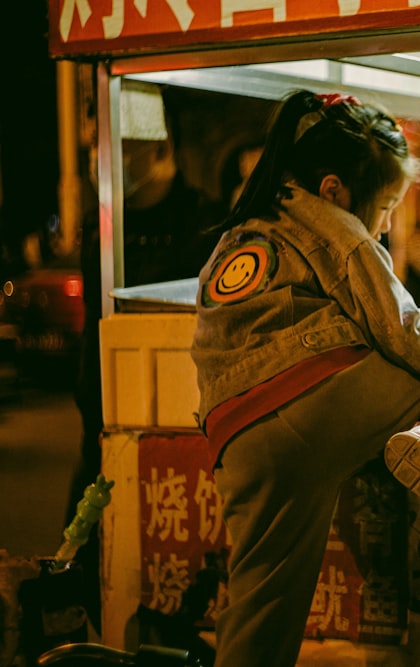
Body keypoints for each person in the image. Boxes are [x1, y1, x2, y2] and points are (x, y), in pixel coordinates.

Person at [189, 90, 420, 667]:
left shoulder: (238, 235)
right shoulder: (331, 223)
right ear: (335, 189)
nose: (385, 226)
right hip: (320, 396)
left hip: (237, 435)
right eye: (386, 207)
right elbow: (403, 327)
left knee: (260, 606)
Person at [69, 80, 226, 630]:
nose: (102, 165)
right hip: (99, 425)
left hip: (180, 427)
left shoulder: (208, 222)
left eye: (119, 152)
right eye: (99, 152)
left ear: (161, 150)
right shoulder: (105, 226)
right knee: (92, 573)